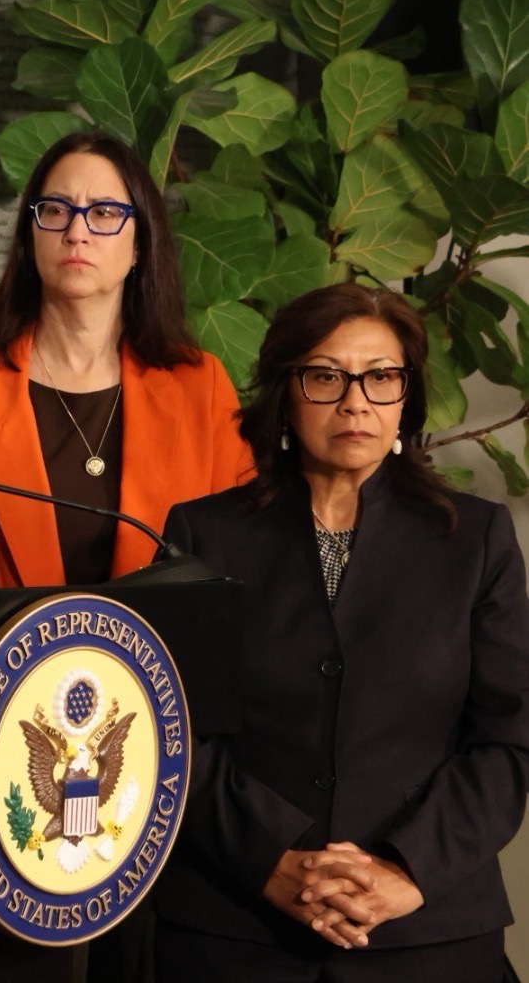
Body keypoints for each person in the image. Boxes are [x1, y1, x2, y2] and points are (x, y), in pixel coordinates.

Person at [154, 284, 529, 981]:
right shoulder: (202, 534)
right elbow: (170, 730)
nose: (356, 401)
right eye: (326, 376)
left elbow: (509, 744)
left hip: (430, 933)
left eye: (381, 377)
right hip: (236, 928)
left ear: (405, 398)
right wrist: (271, 858)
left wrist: (404, 871)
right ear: (286, 393)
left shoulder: (475, 539)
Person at [0, 131, 250, 586]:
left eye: (104, 213)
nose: (76, 233)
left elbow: (241, 560)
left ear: (140, 246)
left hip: (164, 654)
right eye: (55, 211)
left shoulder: (201, 386)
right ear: (30, 240)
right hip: (5, 653)